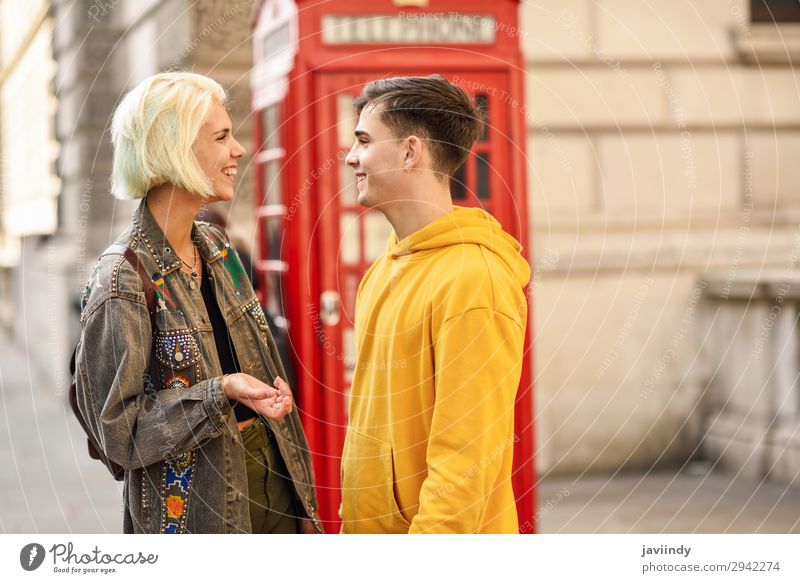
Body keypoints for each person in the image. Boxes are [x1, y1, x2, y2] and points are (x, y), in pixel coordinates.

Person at [75, 72, 322, 534]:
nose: (239, 150)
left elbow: (255, 361)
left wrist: (301, 502)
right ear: (175, 151)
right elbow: (118, 435)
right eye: (222, 137)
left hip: (276, 488)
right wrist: (219, 393)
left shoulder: (218, 247)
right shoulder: (121, 280)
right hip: (198, 513)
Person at [340, 75, 531, 534]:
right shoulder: (384, 266)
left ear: (410, 152)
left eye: (363, 141)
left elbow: (465, 464)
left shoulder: (474, 282)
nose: (350, 158)